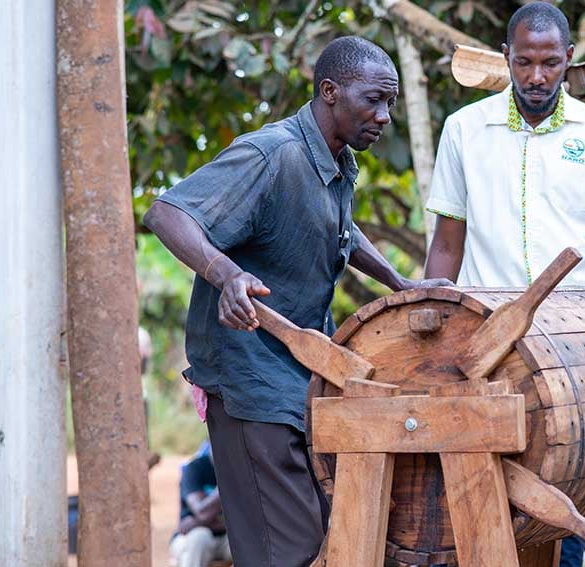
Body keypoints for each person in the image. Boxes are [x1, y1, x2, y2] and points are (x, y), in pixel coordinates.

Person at [144, 36, 450, 567]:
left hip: (301, 380)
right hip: (249, 382)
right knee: (287, 551)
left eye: (390, 102)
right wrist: (227, 274)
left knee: (326, 539)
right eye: (373, 100)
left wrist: (399, 282)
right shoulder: (273, 154)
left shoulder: (336, 162)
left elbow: (340, 229)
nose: (384, 116)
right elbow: (168, 213)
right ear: (330, 91)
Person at [423, 3, 585, 565]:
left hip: (576, 347)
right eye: (524, 62)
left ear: (569, 58)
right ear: (506, 57)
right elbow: (446, 245)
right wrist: (429, 340)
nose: (537, 76)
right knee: (479, 491)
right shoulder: (464, 130)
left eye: (549, 63)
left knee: (559, 497)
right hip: (486, 346)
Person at [169, 446, 231, 567]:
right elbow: (202, 513)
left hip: (225, 538)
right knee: (199, 537)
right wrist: (227, 483)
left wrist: (194, 522)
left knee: (249, 542)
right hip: (188, 538)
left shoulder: (243, 469)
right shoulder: (194, 469)